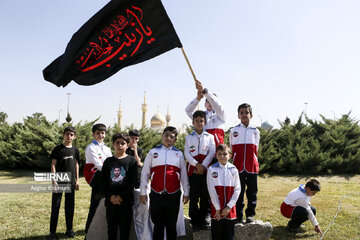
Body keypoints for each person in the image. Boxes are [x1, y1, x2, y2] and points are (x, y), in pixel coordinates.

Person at [140, 126, 190, 240]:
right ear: (162, 136)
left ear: (175, 139)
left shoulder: (179, 154)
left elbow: (183, 175)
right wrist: (143, 192)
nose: (168, 138)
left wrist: (186, 192)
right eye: (166, 135)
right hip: (156, 193)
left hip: (174, 194)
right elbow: (145, 173)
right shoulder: (153, 152)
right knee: (158, 224)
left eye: (171, 137)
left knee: (171, 224)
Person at [101, 132, 138, 240]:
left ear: (128, 145)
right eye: (117, 143)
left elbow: (133, 181)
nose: (120, 145)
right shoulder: (108, 161)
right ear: (113, 144)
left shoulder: (131, 161)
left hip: (126, 201)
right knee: (111, 227)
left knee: (124, 228)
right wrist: (110, 197)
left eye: (123, 143)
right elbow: (103, 181)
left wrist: (122, 196)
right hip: (110, 201)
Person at [184, 110, 215, 231]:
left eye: (201, 121)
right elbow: (187, 153)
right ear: (193, 122)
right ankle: (194, 219)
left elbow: (212, 152)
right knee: (194, 195)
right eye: (196, 121)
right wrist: (196, 165)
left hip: (206, 170)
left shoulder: (210, 137)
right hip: (193, 170)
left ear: (205, 122)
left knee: (205, 194)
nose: (199, 123)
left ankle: (205, 217)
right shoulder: (188, 137)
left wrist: (203, 166)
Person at [229, 103, 260, 223]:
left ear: (251, 115)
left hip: (252, 166)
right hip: (238, 166)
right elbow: (231, 148)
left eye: (246, 112)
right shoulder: (233, 130)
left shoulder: (255, 131)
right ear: (238, 115)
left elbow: (256, 148)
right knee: (238, 191)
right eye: (241, 112)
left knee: (252, 192)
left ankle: (250, 214)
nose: (244, 115)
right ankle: (238, 215)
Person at [48, 126, 80, 240]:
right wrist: (54, 180)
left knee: (70, 207)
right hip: (59, 182)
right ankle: (52, 233)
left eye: (71, 134)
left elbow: (76, 164)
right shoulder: (58, 149)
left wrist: (77, 180)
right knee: (55, 207)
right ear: (63, 135)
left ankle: (69, 229)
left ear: (74, 136)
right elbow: (53, 165)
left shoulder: (75, 150)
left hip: (70, 183)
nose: (69, 136)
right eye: (67, 134)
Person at [83, 123, 112, 236]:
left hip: (105, 177)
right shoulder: (91, 148)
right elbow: (99, 165)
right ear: (93, 134)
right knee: (95, 205)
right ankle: (88, 230)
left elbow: (110, 162)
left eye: (103, 133)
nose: (101, 135)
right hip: (96, 178)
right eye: (98, 133)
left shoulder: (107, 148)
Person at [207, 144, 240, 240]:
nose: (222, 156)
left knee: (229, 236)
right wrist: (217, 208)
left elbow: (237, 190)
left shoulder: (234, 170)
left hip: (230, 210)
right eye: (219, 154)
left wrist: (229, 206)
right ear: (216, 155)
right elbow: (211, 190)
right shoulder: (211, 169)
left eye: (225, 154)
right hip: (216, 209)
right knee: (217, 235)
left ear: (230, 156)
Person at [126, 129, 153, 240]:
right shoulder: (125, 149)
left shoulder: (139, 150)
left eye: (136, 138)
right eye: (133, 138)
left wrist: (136, 150)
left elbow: (138, 161)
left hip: (137, 178)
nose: (134, 140)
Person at [185, 80, 226, 148]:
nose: (210, 103)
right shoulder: (200, 117)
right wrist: (197, 99)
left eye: (212, 101)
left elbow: (217, 105)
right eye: (208, 101)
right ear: (205, 104)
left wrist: (204, 91)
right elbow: (188, 111)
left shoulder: (221, 115)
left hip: (218, 153)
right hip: (204, 153)